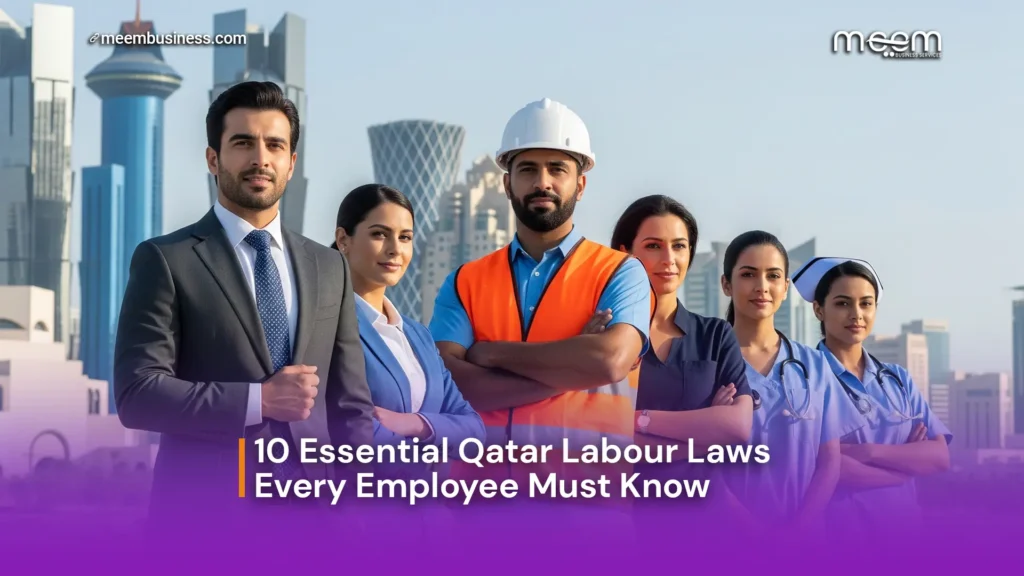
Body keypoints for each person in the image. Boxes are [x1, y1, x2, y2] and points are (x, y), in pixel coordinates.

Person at [113, 81, 374, 527]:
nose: (260, 158)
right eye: (242, 143)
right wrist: (260, 400)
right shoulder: (166, 260)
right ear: (213, 159)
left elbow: (351, 408)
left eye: (275, 145)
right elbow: (138, 395)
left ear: (291, 164)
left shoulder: (330, 266)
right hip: (204, 523)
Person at [428, 98, 653, 528]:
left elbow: (608, 360)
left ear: (580, 185)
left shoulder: (621, 272)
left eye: (558, 169)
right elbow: (451, 388)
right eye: (528, 169)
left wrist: (492, 354)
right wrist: (572, 366)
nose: (542, 181)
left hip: (589, 516)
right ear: (507, 183)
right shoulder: (465, 281)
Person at [602, 195, 752, 540]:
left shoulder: (715, 334)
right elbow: (603, 444)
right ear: (626, 252)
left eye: (679, 247)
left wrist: (640, 420)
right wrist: (705, 437)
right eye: (653, 246)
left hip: (706, 527)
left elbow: (738, 427)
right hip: (621, 527)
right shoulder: (604, 337)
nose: (669, 260)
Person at [715, 231, 868, 536]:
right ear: (726, 284)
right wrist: (755, 533)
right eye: (748, 274)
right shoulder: (706, 366)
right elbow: (697, 465)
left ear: (785, 288)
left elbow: (829, 463)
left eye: (773, 276)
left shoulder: (815, 366)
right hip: (730, 541)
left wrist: (797, 530)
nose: (762, 287)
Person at [791, 257, 951, 537]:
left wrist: (866, 452)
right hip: (840, 543)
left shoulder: (897, 379)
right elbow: (828, 470)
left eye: (866, 303)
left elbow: (939, 457)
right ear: (819, 310)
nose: (856, 314)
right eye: (842, 303)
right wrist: (905, 466)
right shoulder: (803, 380)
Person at [330, 183, 484, 456]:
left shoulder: (418, 336)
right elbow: (354, 436)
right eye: (379, 234)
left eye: (405, 237)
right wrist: (434, 456)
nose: (395, 249)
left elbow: (474, 432)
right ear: (344, 240)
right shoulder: (327, 325)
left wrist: (417, 425)